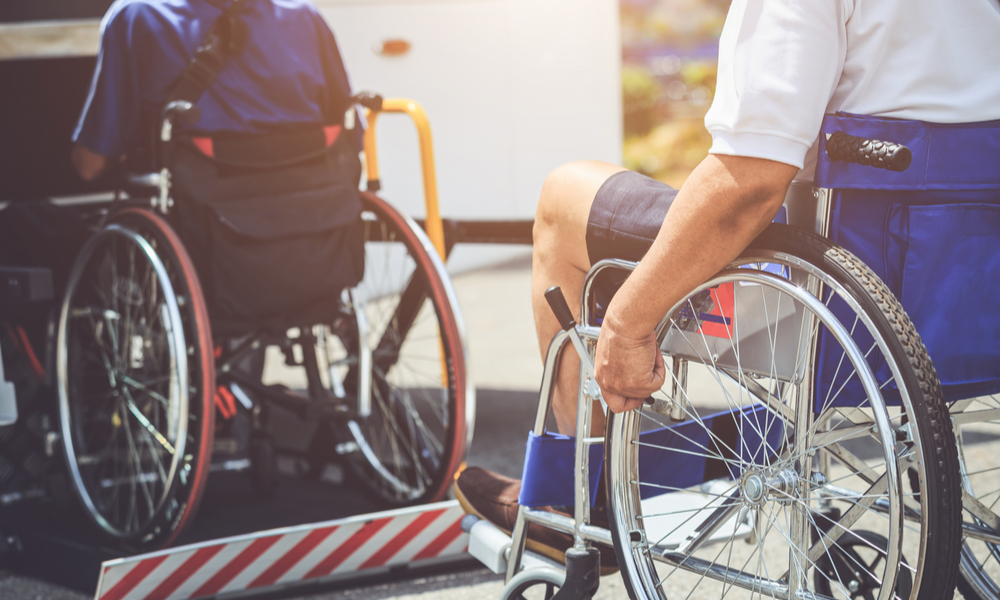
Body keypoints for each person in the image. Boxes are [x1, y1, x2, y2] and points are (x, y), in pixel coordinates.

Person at [455, 0, 1000, 567]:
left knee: (563, 196)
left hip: (847, 286)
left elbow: (749, 183)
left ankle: (572, 501)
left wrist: (627, 321)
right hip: (967, 287)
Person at [71, 0, 356, 182]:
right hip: (311, 214)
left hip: (206, 219)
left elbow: (90, 165)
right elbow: (351, 135)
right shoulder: (305, 15)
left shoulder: (136, 16)